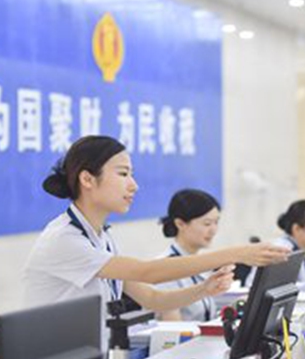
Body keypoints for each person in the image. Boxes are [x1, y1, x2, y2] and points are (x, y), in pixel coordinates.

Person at [23, 136, 289, 338]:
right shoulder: (64, 239)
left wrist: (203, 289)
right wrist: (238, 253)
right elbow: (148, 272)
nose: (133, 185)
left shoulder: (101, 237)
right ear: (87, 179)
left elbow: (152, 298)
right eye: (123, 174)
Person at [157, 189, 223, 322]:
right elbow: (173, 330)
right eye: (207, 224)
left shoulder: (202, 262)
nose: (213, 230)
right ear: (180, 224)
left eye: (216, 222)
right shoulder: (165, 268)